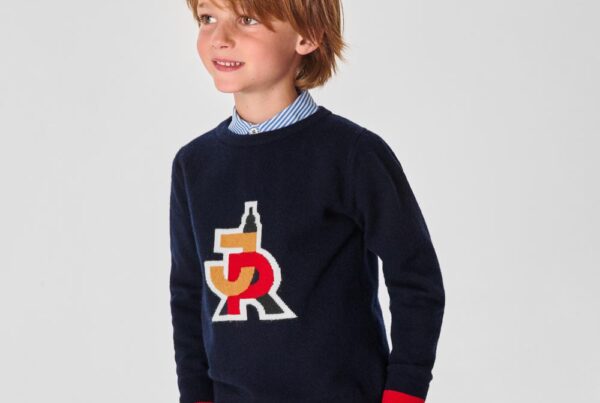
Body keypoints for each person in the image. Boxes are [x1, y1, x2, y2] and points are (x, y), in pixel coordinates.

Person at [169, 1, 446, 402]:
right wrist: (195, 395)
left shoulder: (352, 154)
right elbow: (189, 293)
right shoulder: (194, 165)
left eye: (247, 20)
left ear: (307, 36)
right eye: (208, 18)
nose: (220, 39)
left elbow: (416, 277)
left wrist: (405, 391)